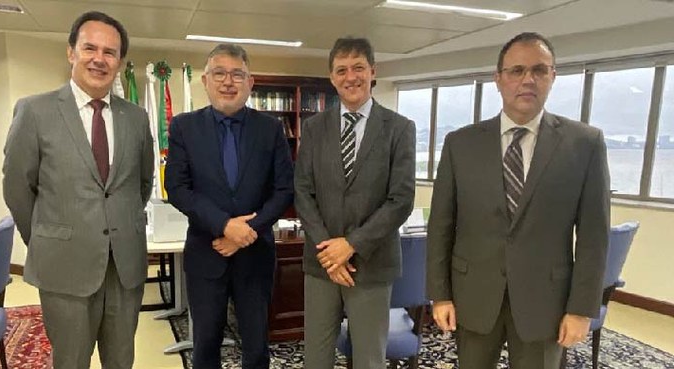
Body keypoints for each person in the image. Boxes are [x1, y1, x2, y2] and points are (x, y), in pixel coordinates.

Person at [427, 32, 611, 369]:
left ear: (553, 77)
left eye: (540, 70)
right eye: (516, 71)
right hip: (474, 295)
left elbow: (594, 238)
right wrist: (440, 295)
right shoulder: (460, 144)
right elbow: (441, 225)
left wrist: (582, 308)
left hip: (547, 302)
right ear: (498, 79)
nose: (528, 79)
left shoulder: (585, 144)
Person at [2, 11, 154, 369]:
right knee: (70, 362)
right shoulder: (34, 111)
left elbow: (142, 184)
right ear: (71, 52)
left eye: (110, 52)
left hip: (125, 266)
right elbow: (17, 187)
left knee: (121, 361)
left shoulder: (135, 118)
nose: (99, 59)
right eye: (90, 48)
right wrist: (46, 236)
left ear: (119, 61)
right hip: (63, 266)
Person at [164, 43, 294, 369]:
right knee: (206, 345)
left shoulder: (271, 129)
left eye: (238, 74)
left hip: (255, 256)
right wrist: (224, 225)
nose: (228, 82)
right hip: (207, 253)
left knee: (256, 346)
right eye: (219, 73)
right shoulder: (183, 127)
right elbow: (177, 188)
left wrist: (244, 231)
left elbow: (284, 190)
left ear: (250, 83)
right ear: (205, 81)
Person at [295, 37, 416, 369]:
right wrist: (328, 251)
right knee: (315, 359)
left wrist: (350, 245)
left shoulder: (399, 129)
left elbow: (401, 199)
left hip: (372, 263)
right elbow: (303, 192)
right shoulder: (314, 127)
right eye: (342, 70)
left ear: (373, 71)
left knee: (369, 360)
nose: (351, 77)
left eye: (358, 68)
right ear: (332, 77)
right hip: (321, 265)